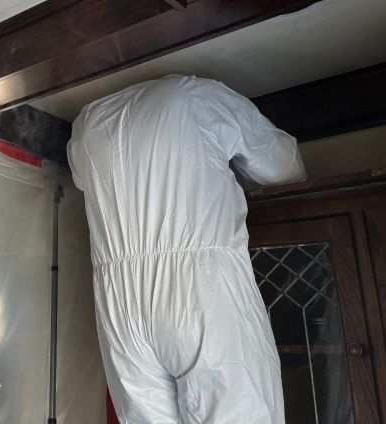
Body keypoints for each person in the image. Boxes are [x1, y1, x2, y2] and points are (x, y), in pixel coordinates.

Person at [68, 75, 306, 424]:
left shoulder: (86, 122)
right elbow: (283, 166)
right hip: (197, 286)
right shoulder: (192, 94)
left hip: (118, 301)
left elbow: (80, 179)